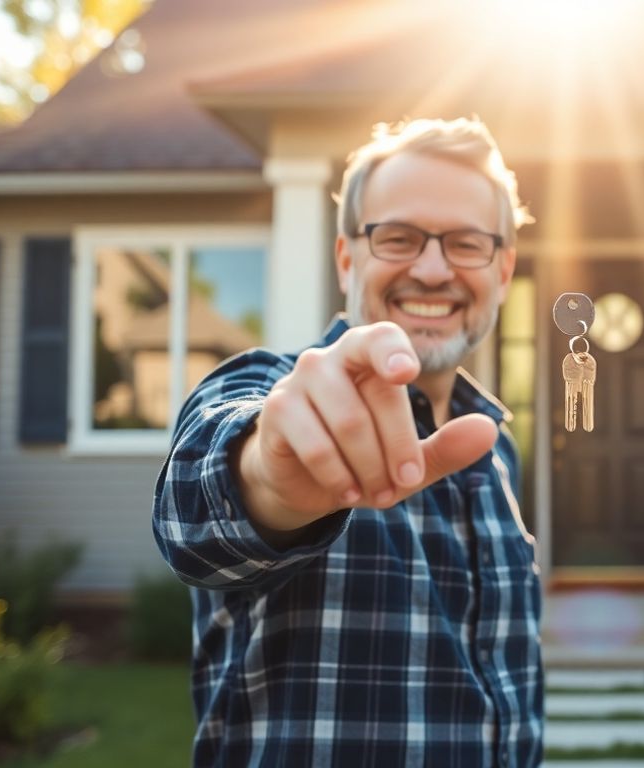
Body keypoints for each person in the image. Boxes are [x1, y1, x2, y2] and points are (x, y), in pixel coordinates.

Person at [152, 117, 543, 767]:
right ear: (345, 257)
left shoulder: (495, 450)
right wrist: (271, 478)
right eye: (398, 238)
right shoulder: (276, 392)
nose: (432, 268)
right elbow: (195, 516)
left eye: (467, 244)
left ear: (502, 270)